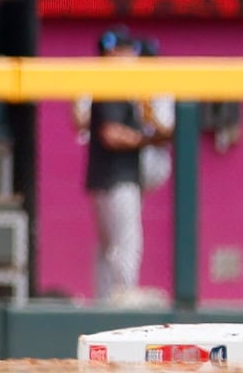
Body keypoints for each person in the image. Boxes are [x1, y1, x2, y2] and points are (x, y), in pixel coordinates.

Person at [82, 28, 172, 305]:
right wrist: (146, 139)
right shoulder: (113, 86)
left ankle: (107, 299)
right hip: (116, 178)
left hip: (112, 177)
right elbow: (110, 134)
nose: (130, 57)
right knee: (125, 243)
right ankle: (123, 297)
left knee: (111, 245)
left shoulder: (120, 87)